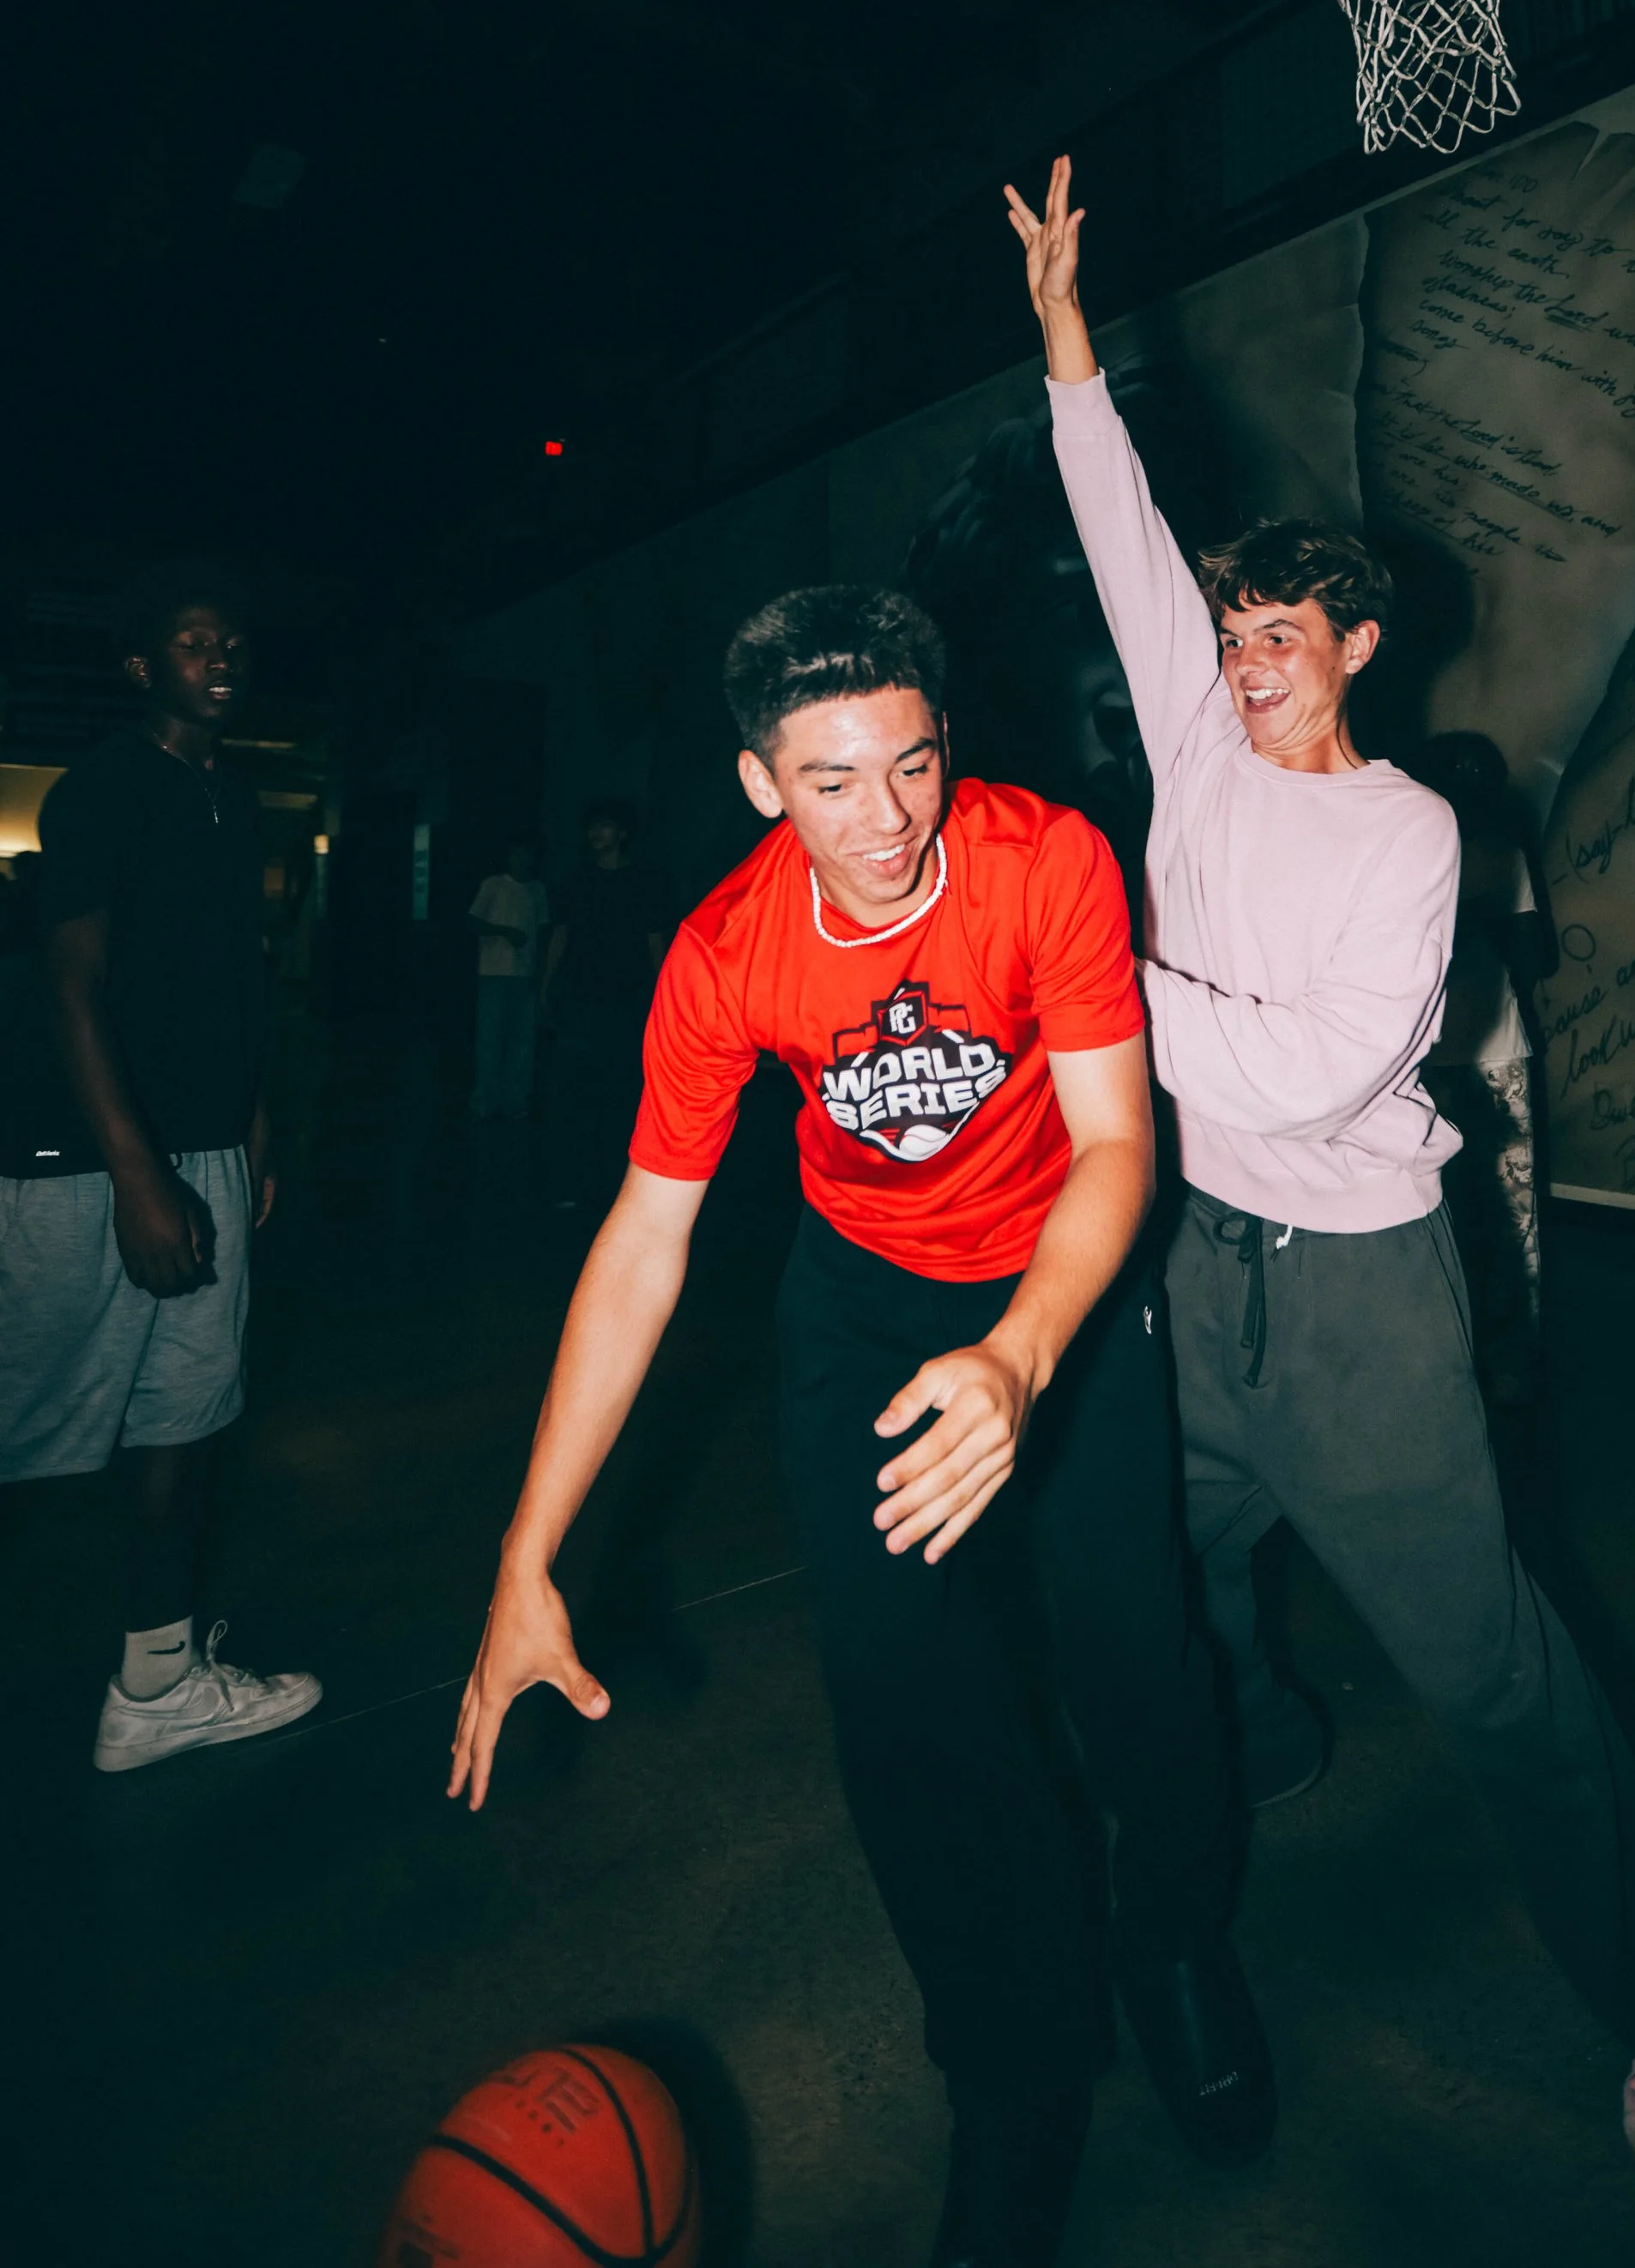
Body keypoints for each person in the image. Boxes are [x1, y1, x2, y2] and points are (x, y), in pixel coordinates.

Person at [1010, 156, 1635, 2179]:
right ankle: (1242, 1735)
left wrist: (1095, 985)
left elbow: (1325, 1067)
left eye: (1279, 629)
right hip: (1178, 1270)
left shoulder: (1410, 834)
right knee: (1120, 1577)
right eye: (1233, 628)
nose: (1242, 654)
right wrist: (1070, 339)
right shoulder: (1191, 743)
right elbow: (1121, 541)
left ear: (1353, 641)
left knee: (1504, 1685)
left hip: (1357, 1313)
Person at [451, 586, 1270, 2268]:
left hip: (1065, 1285)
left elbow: (1118, 1145)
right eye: (831, 782)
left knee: (1135, 1666)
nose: (885, 819)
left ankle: (1173, 1943)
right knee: (909, 1722)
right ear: (762, 782)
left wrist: (1022, 1361)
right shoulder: (723, 953)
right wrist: (527, 1562)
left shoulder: (1042, 862)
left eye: (910, 764)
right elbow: (642, 1244)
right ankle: (1013, 2088)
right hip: (867, 1310)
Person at [0, 571, 321, 1770]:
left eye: (232, 639)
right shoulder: (102, 792)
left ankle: (158, 1683)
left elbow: (234, 983)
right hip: (84, 1158)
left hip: (207, 1148)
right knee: (28, 1419)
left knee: (186, 1415)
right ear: (144, 669)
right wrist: (138, 1176)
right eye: (192, 643)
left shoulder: (233, 797)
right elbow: (71, 989)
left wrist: (252, 1126)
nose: (220, 655)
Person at [1418, 728, 1557, 1405]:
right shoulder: (1412, 848)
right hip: (1430, 1059)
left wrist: (1478, 922)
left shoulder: (1495, 851)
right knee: (1479, 1208)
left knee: (1499, 1206)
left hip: (1481, 1051)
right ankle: (1483, 1347)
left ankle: (1506, 1353)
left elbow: (1535, 955)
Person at [540, 797, 674, 1202]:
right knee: (573, 1092)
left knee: (620, 1092)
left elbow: (655, 943)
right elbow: (560, 936)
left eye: (605, 827)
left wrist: (661, 999)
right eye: (592, 827)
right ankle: (574, 1183)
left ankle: (618, 1185)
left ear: (622, 833)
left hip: (626, 1000)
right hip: (581, 998)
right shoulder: (576, 879)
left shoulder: (643, 882)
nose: (596, 835)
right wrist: (546, 989)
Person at [468, 839, 548, 1119]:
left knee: (522, 1041)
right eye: (515, 851)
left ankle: (515, 1100)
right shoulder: (494, 884)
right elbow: (473, 920)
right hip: (493, 972)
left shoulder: (537, 890)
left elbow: (544, 930)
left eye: (525, 851)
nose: (520, 857)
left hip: (524, 974)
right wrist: (504, 931)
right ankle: (485, 1100)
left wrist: (541, 974)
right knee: (490, 1039)